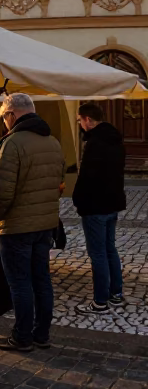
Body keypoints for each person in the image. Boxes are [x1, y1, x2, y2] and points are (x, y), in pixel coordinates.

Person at [0, 93, 64, 352]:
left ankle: (22, 337)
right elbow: (58, 184)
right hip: (45, 224)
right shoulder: (52, 141)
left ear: (11, 115)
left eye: (3, 117)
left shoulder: (12, 143)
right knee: (41, 279)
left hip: (17, 226)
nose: (4, 122)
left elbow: (3, 192)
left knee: (20, 283)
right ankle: (41, 333)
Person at [72, 103, 126, 314]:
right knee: (110, 249)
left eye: (79, 120)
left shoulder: (95, 143)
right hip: (112, 203)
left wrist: (78, 199)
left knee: (98, 254)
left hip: (95, 206)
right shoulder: (115, 140)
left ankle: (100, 301)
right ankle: (116, 293)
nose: (80, 125)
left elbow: (87, 176)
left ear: (87, 119)